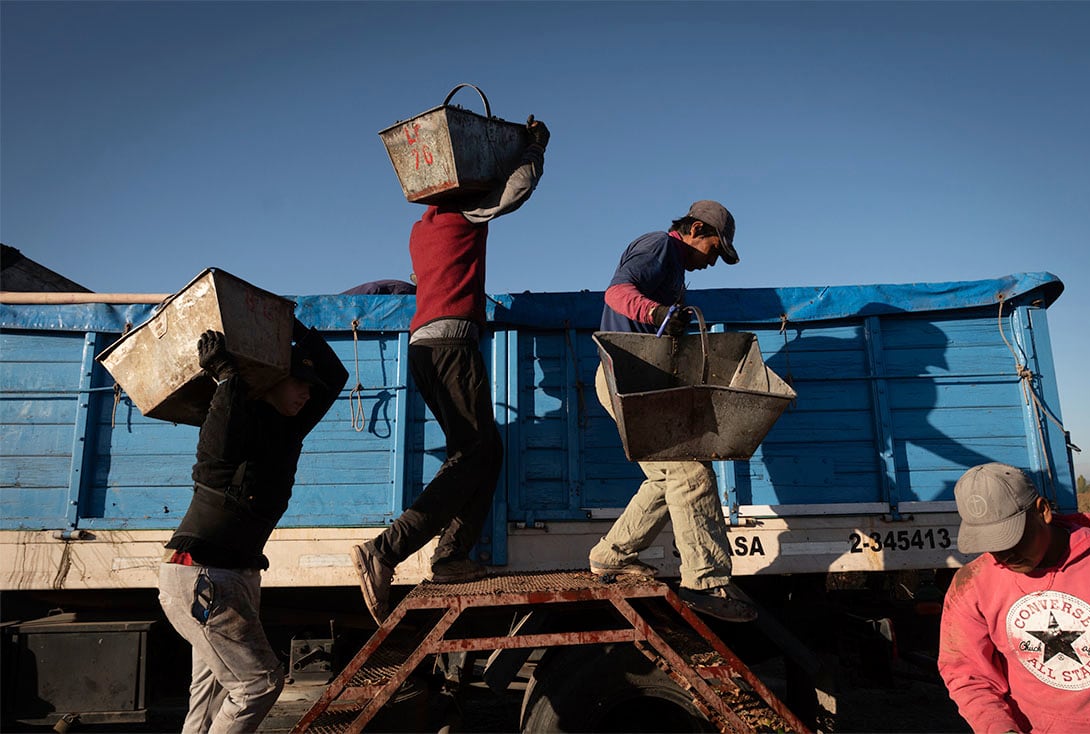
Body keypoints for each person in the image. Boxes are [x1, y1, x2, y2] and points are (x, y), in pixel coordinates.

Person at [352, 115, 550, 626]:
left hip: (423, 346)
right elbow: (516, 191)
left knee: (477, 452)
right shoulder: (465, 212)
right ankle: (387, 550)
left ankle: (451, 558)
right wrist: (534, 148)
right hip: (451, 343)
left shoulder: (422, 230)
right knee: (480, 451)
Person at [158, 322, 348, 733]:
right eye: (300, 382)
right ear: (271, 380)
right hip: (204, 576)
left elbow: (336, 378)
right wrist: (226, 377)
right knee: (258, 685)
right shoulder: (234, 424)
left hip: (236, 577)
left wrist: (291, 327)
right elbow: (214, 449)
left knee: (208, 694)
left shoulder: (289, 428)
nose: (308, 393)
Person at [587, 200, 756, 624]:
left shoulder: (675, 270)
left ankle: (611, 555)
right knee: (691, 474)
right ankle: (707, 581)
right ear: (696, 228)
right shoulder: (659, 246)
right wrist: (658, 312)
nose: (713, 262)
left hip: (634, 381)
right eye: (714, 250)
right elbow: (617, 292)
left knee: (667, 477)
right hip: (627, 378)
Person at [938, 462, 1090, 734]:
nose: (1004, 555)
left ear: (1042, 511)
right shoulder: (973, 584)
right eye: (992, 544)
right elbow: (967, 672)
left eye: (1012, 539)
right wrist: (999, 728)